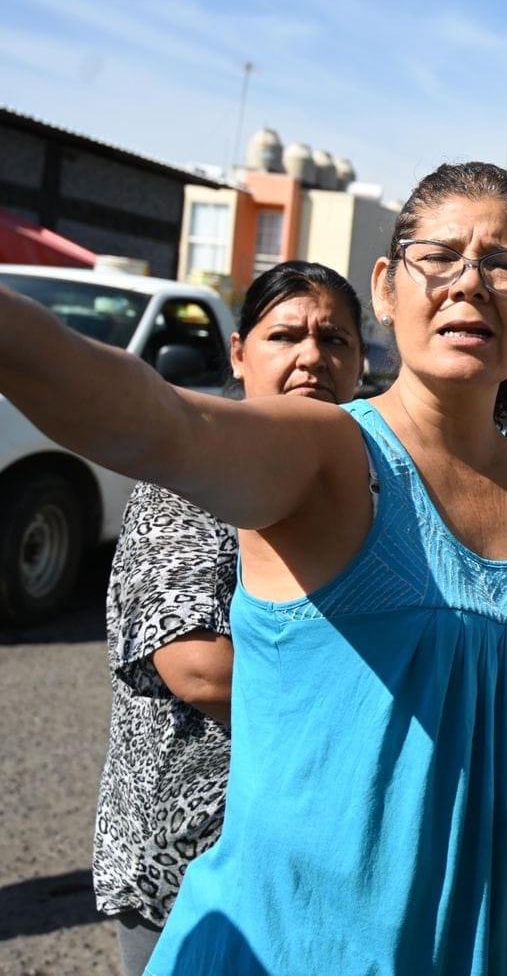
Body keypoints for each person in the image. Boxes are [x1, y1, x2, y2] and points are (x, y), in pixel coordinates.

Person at [0, 161, 507, 974]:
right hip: (294, 947)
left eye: (505, 265)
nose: (470, 283)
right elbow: (160, 423)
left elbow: (495, 703)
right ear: (388, 287)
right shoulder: (328, 452)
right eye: (439, 256)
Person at [92, 262, 366, 976]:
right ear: (241, 353)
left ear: (362, 362)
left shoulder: (367, 476)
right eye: (287, 336)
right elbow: (197, 666)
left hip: (314, 852)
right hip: (190, 862)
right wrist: (375, 710)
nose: (313, 356)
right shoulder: (192, 473)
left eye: (336, 339)